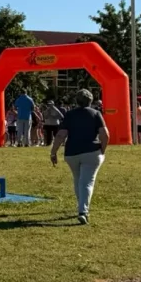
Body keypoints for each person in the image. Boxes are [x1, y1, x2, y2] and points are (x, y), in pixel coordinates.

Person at [50, 89, 109, 225]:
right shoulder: (96, 114)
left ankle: (81, 206)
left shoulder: (70, 115)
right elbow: (105, 134)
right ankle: (83, 211)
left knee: (78, 180)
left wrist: (53, 152)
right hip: (91, 151)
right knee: (87, 182)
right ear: (91, 100)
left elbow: (60, 135)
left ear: (76, 101)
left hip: (72, 153)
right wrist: (102, 150)